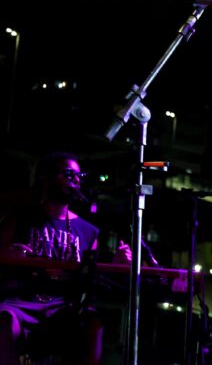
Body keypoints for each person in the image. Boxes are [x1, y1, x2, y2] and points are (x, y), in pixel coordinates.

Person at [0, 151, 132, 365]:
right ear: (47, 176)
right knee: (4, 320)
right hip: (21, 302)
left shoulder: (89, 231)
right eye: (69, 174)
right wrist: (7, 255)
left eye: (79, 176)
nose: (76, 180)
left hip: (64, 305)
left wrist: (116, 266)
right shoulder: (19, 217)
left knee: (93, 323)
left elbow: (91, 279)